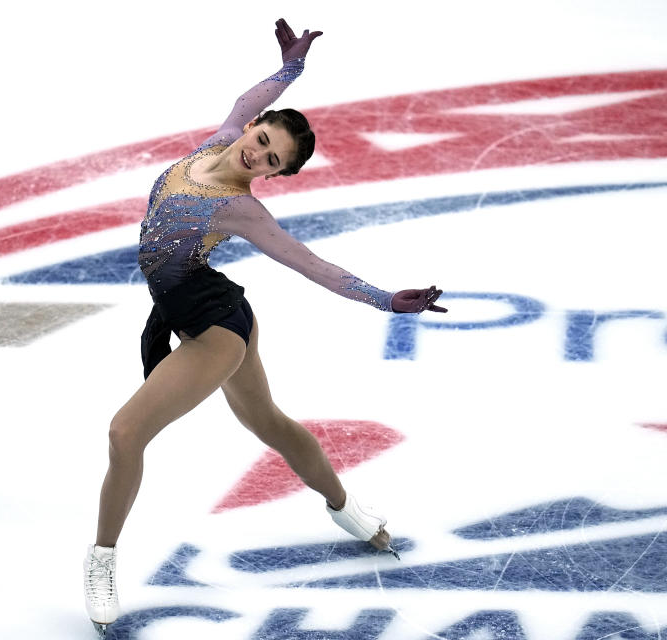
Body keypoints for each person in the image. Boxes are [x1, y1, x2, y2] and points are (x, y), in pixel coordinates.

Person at [83, 18, 446, 633]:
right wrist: (292, 68)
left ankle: (101, 561)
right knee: (272, 424)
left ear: (276, 173)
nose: (257, 152)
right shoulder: (220, 138)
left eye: (272, 160)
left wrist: (387, 300)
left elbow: (313, 266)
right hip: (199, 308)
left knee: (124, 434)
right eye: (263, 139)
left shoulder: (242, 208)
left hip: (214, 331)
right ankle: (350, 509)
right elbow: (251, 97)